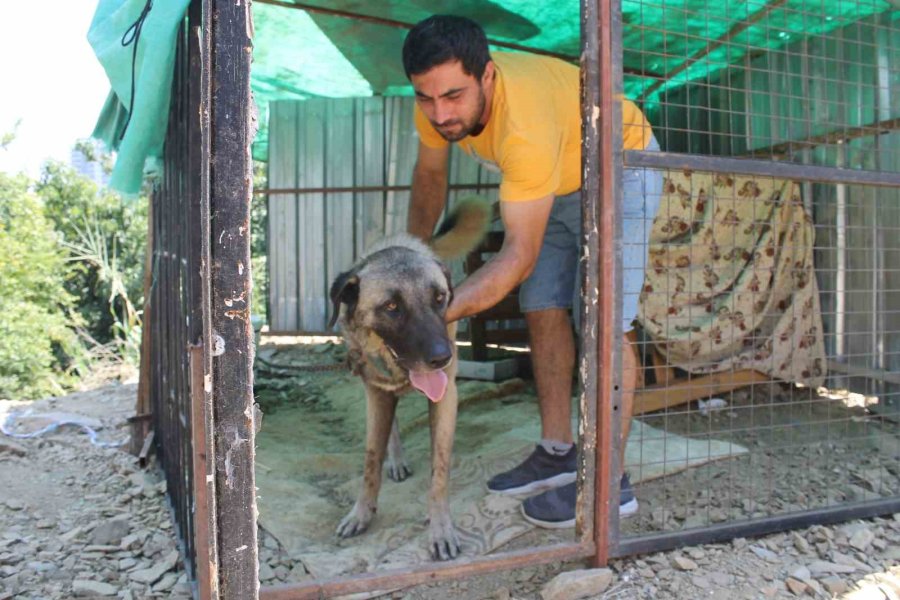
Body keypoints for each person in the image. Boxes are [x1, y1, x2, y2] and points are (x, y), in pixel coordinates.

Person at [402, 15, 663, 528]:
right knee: (542, 307)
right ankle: (558, 450)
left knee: (606, 323)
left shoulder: (523, 125)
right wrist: (414, 259)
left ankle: (608, 483)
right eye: (426, 98)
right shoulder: (432, 105)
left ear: (488, 78)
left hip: (621, 166)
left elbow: (517, 256)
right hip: (557, 177)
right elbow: (430, 176)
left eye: (454, 96)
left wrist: (428, 318)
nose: (440, 113)